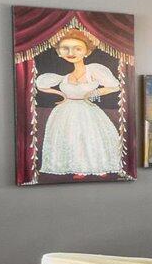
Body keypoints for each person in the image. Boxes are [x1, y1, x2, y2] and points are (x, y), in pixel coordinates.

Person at [34, 27, 124, 177]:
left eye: (77, 48)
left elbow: (115, 86)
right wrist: (60, 94)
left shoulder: (93, 70)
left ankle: (98, 165)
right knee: (71, 137)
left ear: (86, 51)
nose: (71, 53)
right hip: (66, 111)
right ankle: (78, 168)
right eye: (65, 48)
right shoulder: (64, 77)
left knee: (90, 136)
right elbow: (41, 84)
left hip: (87, 110)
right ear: (59, 52)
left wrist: (93, 93)